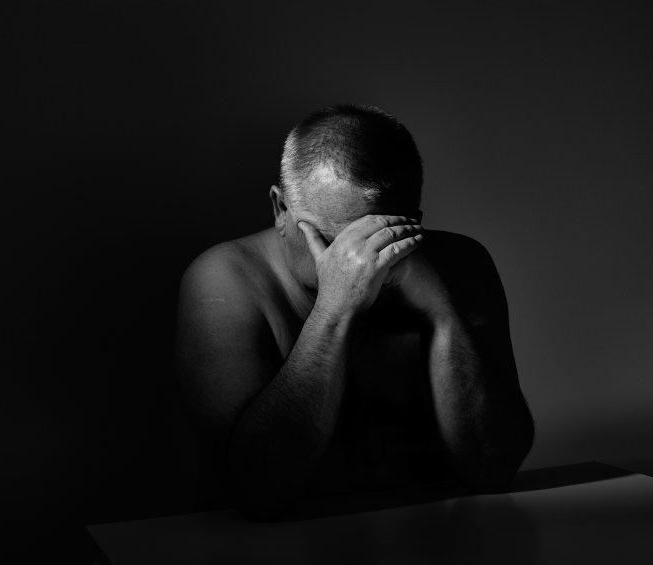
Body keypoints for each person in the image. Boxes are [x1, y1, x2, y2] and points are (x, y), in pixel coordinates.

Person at [174, 104, 534, 518]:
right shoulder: (225, 279)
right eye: (330, 240)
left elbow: (493, 469)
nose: (355, 261)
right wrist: (335, 309)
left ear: (412, 223)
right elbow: (256, 490)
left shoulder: (460, 266)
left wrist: (443, 313)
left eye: (376, 239)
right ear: (280, 210)